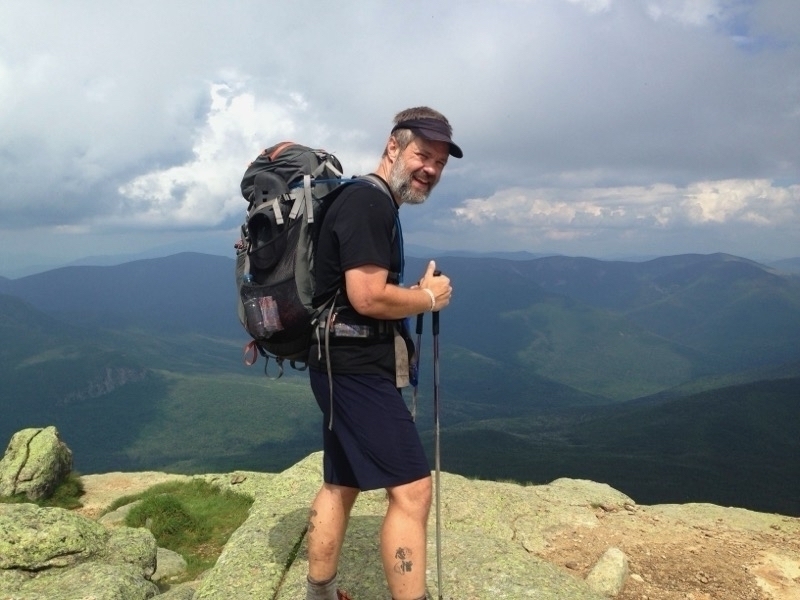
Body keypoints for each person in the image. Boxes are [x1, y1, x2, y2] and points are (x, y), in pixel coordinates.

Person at [305, 106, 462, 600]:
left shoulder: (365, 201)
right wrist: (428, 298)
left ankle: (320, 593)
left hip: (334, 362)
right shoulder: (369, 204)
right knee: (413, 490)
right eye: (423, 155)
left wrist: (411, 295)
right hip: (354, 369)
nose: (430, 169)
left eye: (439, 162)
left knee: (341, 481)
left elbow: (361, 294)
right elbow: (367, 297)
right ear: (393, 146)